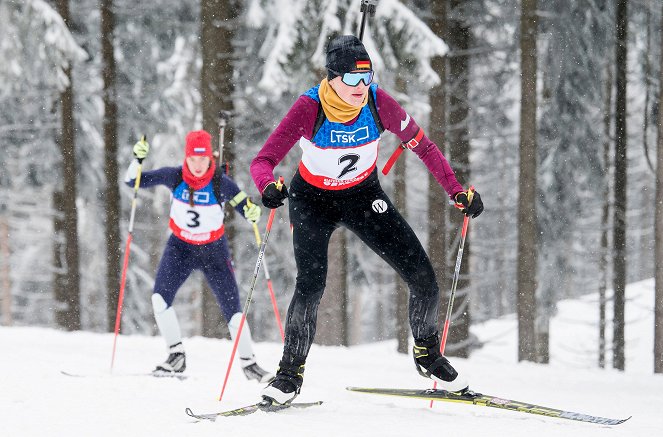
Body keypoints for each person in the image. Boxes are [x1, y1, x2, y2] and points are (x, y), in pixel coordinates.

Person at [250, 35, 484, 404]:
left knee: (424, 278)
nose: (361, 88)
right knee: (311, 286)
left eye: (367, 77)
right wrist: (268, 187)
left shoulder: (379, 102)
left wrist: (455, 190)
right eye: (352, 79)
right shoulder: (308, 108)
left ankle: (427, 353)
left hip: (363, 196)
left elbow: (424, 145)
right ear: (332, 77)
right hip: (313, 201)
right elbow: (262, 161)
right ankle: (288, 375)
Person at [125, 130, 273, 382]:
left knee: (233, 310)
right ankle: (176, 356)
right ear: (186, 157)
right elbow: (134, 182)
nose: (197, 165)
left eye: (202, 159)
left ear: (210, 158)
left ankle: (250, 365)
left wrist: (252, 212)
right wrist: (136, 161)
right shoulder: (174, 176)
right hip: (179, 248)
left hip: (213, 251)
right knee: (160, 299)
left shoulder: (220, 183)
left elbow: (244, 206)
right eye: (192, 159)